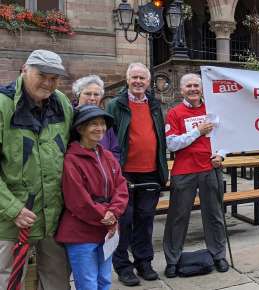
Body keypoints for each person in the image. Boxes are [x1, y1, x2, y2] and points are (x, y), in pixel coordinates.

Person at [0, 49, 73, 289]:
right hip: (11, 220)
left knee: (56, 279)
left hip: (53, 217)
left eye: (54, 78)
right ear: (24, 70)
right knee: (7, 279)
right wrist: (13, 209)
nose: (49, 83)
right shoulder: (3, 105)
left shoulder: (61, 102)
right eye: (42, 75)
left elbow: (73, 152)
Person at [106, 62, 168, 286]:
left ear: (149, 82)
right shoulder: (115, 105)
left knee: (145, 219)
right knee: (124, 220)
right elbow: (108, 141)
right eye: (134, 78)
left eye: (142, 78)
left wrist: (163, 169)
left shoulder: (154, 105)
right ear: (127, 79)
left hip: (150, 172)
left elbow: (160, 137)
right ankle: (123, 266)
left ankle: (144, 261)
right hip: (124, 173)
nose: (138, 82)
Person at [55, 105, 129, 290]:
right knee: (87, 283)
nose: (100, 128)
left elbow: (121, 186)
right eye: (93, 124)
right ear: (80, 128)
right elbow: (77, 199)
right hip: (81, 232)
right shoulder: (72, 159)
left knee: (104, 280)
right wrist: (106, 217)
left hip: (106, 230)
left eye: (102, 124)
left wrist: (114, 212)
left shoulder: (108, 156)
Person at [162, 73, 228, 278]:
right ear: (182, 90)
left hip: (210, 169)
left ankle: (218, 255)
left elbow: (224, 137)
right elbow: (171, 144)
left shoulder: (212, 111)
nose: (193, 89)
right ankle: (172, 259)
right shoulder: (174, 113)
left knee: (214, 214)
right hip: (184, 171)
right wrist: (197, 132)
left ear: (202, 89)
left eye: (196, 86)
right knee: (178, 217)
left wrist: (221, 155)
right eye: (188, 86)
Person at [72, 75, 120, 160]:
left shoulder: (104, 117)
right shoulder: (70, 117)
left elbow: (115, 149)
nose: (92, 98)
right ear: (78, 95)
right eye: (87, 94)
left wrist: (111, 168)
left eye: (96, 94)